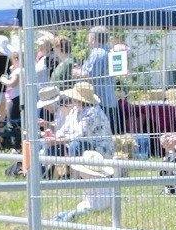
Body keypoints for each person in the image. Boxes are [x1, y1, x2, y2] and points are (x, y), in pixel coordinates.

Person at [41, 79, 118, 218]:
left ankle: (75, 177)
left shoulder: (93, 113)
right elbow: (65, 130)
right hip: (81, 143)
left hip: (99, 150)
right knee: (52, 145)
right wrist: (54, 137)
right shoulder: (76, 111)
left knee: (76, 144)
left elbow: (79, 135)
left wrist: (57, 140)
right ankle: (45, 174)